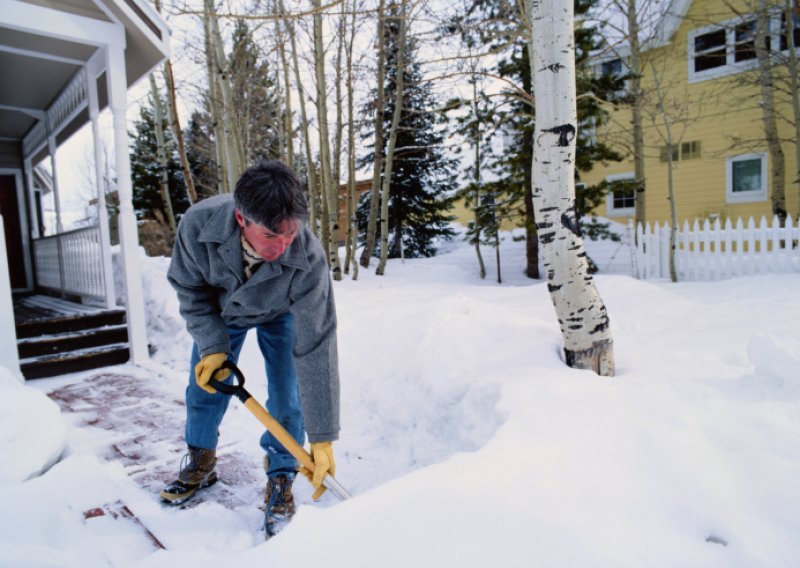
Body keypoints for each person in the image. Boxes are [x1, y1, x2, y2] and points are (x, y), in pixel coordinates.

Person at [160, 160, 340, 537]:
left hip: (281, 312)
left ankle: (281, 477)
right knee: (204, 389)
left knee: (287, 397)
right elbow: (190, 290)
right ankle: (201, 459)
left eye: (292, 233)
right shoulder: (198, 224)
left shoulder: (306, 255)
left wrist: (322, 437)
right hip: (222, 314)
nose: (285, 244)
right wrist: (212, 344)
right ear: (242, 219)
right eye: (274, 235)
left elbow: (317, 344)